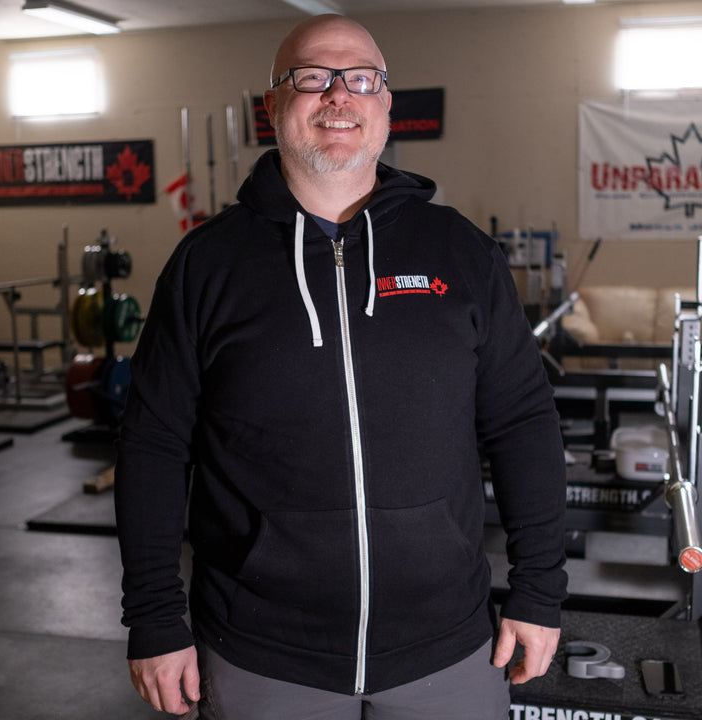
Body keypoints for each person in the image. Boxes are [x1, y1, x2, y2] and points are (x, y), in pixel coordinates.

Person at [115, 13, 567, 719]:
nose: (338, 96)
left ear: (386, 103)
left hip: (448, 647)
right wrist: (152, 615)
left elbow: (523, 424)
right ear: (272, 105)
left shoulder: (461, 254)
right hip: (262, 651)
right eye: (311, 78)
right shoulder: (207, 265)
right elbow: (153, 445)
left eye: (361, 79)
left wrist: (539, 589)